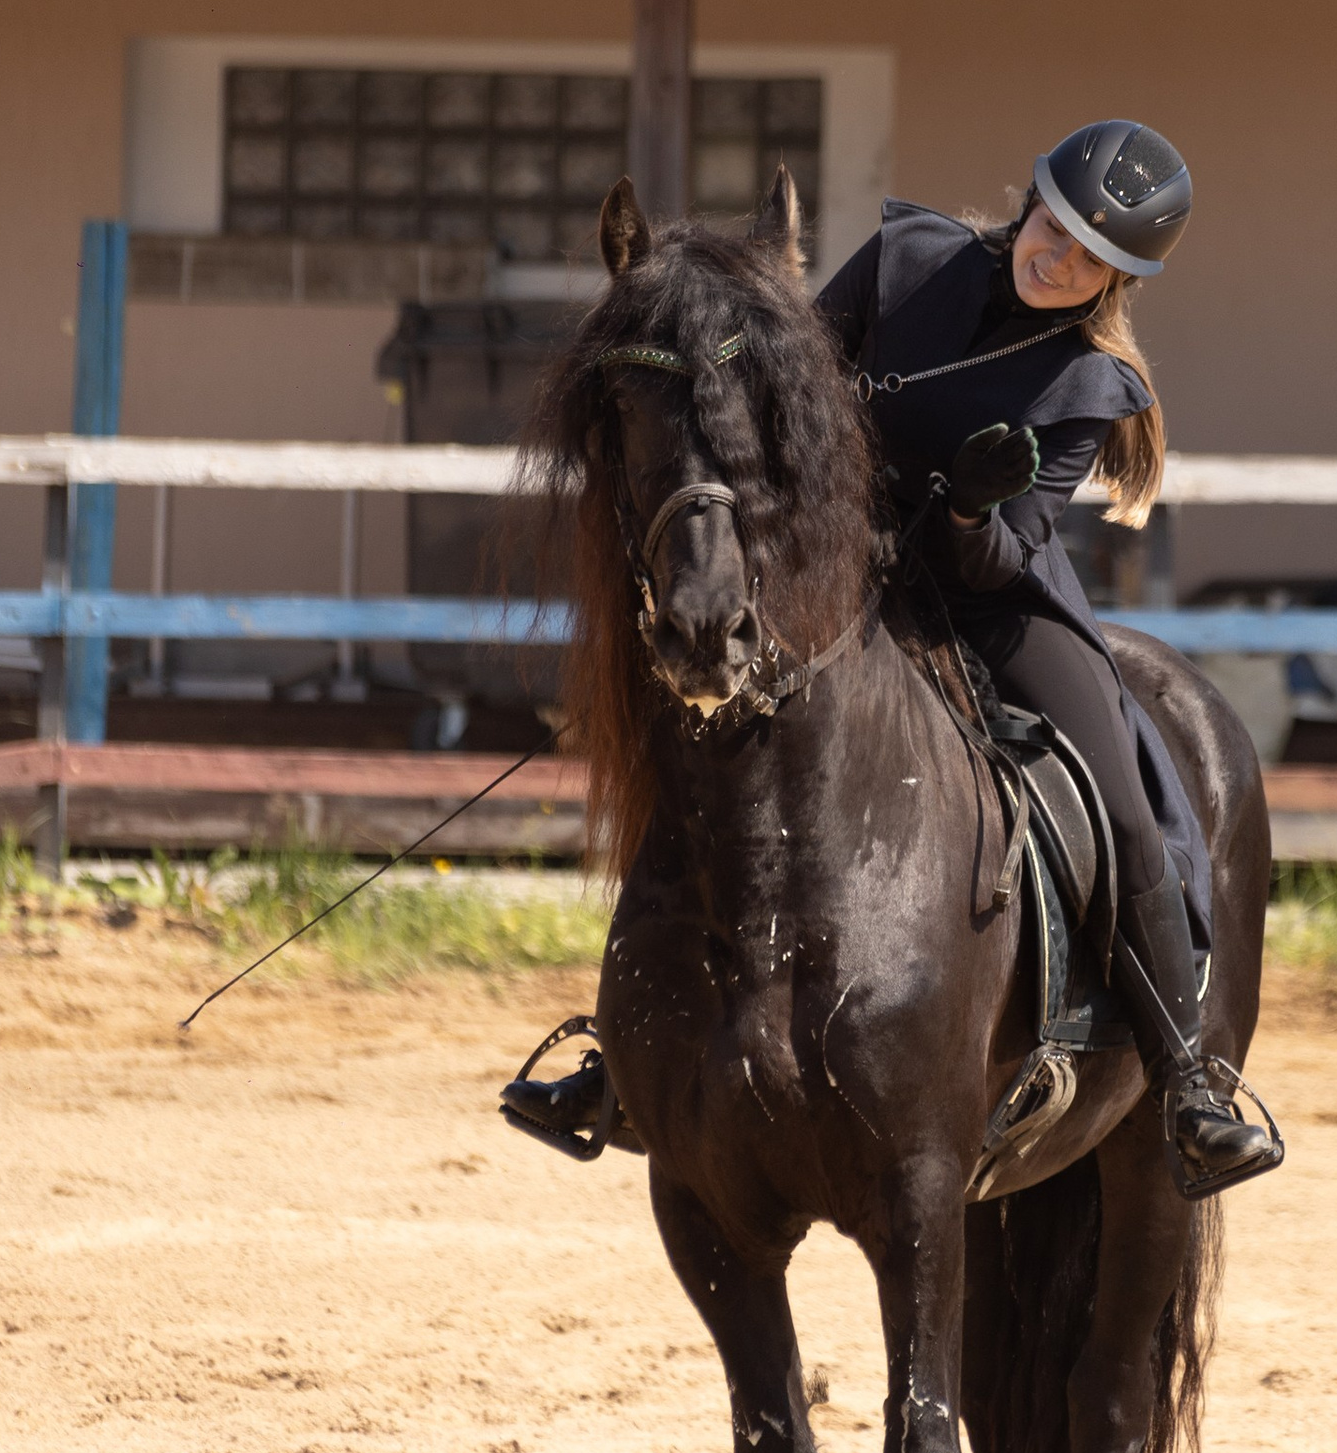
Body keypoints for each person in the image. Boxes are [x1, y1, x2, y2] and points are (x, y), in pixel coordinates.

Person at [503, 119, 1283, 1196]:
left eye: (1087, 255)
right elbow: (787, 392)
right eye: (1052, 224)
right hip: (828, 575)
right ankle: (626, 1059)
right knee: (702, 757)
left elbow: (1004, 553)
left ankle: (1186, 1077)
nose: (1055, 254)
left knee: (1121, 789)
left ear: (1118, 281)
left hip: (988, 603)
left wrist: (967, 508)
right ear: (1031, 204)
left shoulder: (1089, 389)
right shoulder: (910, 259)